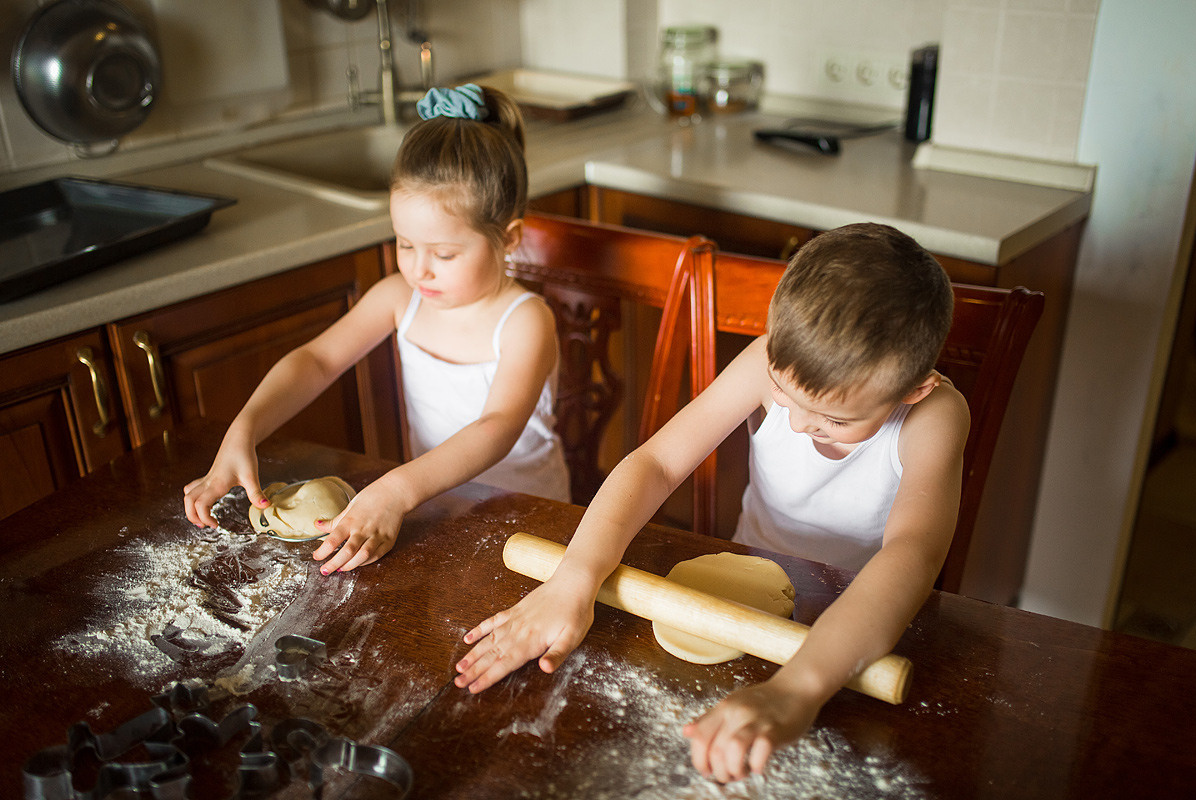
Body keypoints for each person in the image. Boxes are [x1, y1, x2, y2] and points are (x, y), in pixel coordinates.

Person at [453, 222, 970, 782]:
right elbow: (657, 463)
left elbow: (912, 554)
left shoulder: (934, 415)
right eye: (782, 393)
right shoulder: (765, 357)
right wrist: (572, 581)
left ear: (915, 388)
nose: (796, 424)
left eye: (834, 420)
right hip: (746, 595)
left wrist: (796, 691)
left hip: (861, 627)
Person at [184, 84, 570, 573]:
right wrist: (246, 428)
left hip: (533, 528)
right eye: (405, 244)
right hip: (433, 514)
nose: (419, 269)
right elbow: (316, 361)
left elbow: (496, 428)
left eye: (445, 254)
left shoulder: (525, 321)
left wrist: (395, 488)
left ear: (508, 239)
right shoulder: (398, 297)